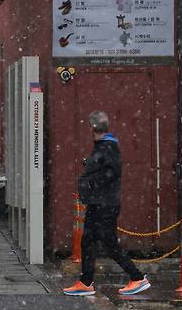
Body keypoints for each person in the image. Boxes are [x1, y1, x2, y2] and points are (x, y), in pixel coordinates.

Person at [63, 111, 151, 296]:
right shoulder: (104, 146)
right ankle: (86, 282)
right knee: (88, 240)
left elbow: (112, 173)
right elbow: (105, 169)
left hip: (105, 204)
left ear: (92, 127)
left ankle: (137, 278)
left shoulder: (108, 146)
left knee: (108, 241)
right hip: (99, 202)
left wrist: (92, 180)